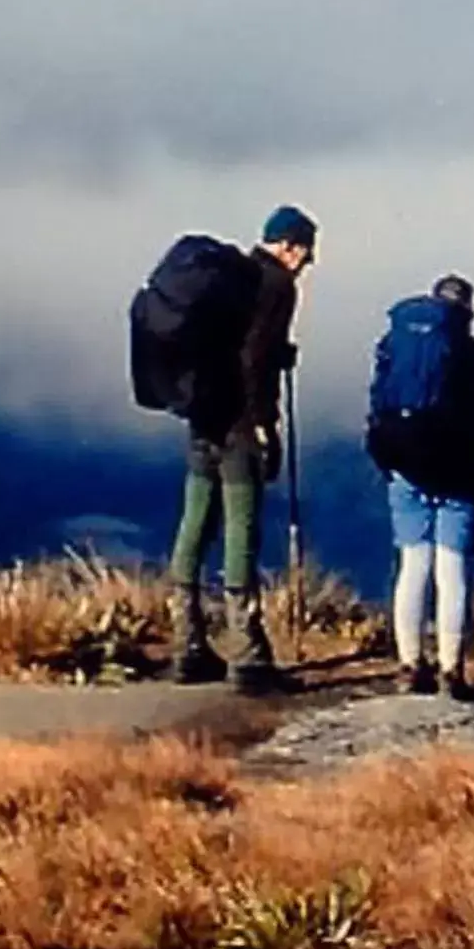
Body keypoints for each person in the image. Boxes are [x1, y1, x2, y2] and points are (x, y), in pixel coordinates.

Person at [165, 205, 317, 690]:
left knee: (195, 523)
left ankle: (188, 646)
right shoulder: (276, 285)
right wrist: (263, 424)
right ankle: (248, 656)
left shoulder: (231, 277)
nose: (307, 262)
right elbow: (252, 358)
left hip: (202, 418)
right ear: (289, 245)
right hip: (239, 425)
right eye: (306, 251)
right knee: (240, 531)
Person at [366, 273, 474, 698]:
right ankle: (451, 670)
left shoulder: (395, 343)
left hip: (403, 466)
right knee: (452, 570)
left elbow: (378, 400)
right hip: (458, 469)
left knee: (412, 567)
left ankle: (410, 666)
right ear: (468, 311)